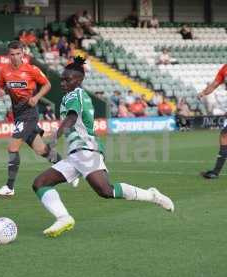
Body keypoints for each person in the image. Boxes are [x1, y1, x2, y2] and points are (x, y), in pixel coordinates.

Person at [32, 57, 174, 237]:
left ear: (79, 80)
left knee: (106, 191)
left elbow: (72, 118)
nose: (63, 82)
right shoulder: (71, 96)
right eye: (62, 79)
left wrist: (53, 139)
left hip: (87, 151)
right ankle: (63, 218)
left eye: (68, 79)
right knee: (40, 183)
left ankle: (152, 195)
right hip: (76, 155)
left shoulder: (76, 95)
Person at [0, 41, 77, 196]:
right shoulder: (4, 71)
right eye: (12, 54)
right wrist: (0, 91)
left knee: (12, 148)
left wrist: (37, 97)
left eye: (18, 54)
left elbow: (47, 85)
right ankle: (70, 169)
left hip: (29, 114)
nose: (15, 57)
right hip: (18, 115)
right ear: (8, 55)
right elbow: (1, 86)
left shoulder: (32, 70)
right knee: (42, 150)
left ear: (23, 54)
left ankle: (9, 187)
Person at [198, 64, 227, 179]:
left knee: (224, 136)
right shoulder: (224, 68)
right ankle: (215, 172)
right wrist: (204, 92)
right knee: (224, 136)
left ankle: (215, 172)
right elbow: (215, 84)